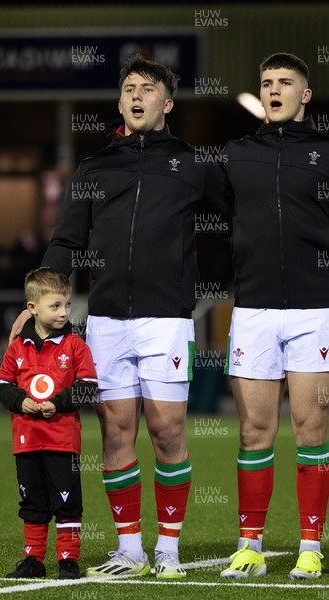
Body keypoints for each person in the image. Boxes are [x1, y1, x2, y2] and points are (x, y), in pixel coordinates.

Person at [10, 54, 226, 580]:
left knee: (169, 431)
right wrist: (35, 303)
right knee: (115, 432)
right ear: (120, 101)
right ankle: (130, 549)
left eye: (147, 89)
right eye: (129, 87)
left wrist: (215, 280)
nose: (136, 95)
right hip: (105, 320)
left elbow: (237, 220)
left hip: (168, 320)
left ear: (166, 104)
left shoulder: (192, 163)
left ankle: (168, 550)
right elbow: (65, 241)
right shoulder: (95, 168)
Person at [217, 53, 329, 580]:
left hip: (317, 310)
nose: (275, 89)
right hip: (255, 310)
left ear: (305, 95)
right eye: (267, 83)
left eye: (286, 83)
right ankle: (250, 548)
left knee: (312, 429)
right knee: (253, 431)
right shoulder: (236, 154)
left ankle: (310, 547)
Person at [0, 268, 97, 580]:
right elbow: (2, 384)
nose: (64, 312)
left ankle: (68, 560)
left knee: (68, 501)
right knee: (32, 500)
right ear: (32, 308)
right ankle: (33, 560)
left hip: (62, 439)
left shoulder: (76, 345)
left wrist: (59, 403)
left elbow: (88, 384)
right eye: (55, 306)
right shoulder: (17, 347)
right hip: (26, 440)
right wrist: (20, 400)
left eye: (67, 305)